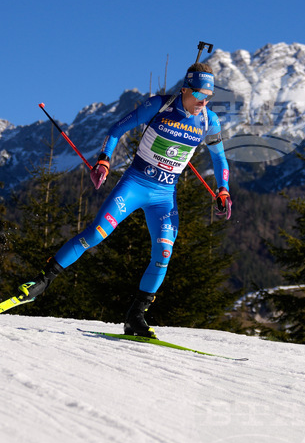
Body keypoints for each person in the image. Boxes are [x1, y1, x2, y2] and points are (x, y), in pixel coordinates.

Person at [17, 62, 232, 338]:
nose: (204, 102)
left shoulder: (208, 122)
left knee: (163, 255)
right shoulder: (159, 106)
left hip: (164, 197)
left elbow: (219, 158)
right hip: (135, 184)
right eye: (200, 95)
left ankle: (135, 316)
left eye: (209, 97)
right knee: (96, 234)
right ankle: (40, 282)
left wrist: (223, 188)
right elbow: (117, 128)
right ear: (186, 90)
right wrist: (104, 161)